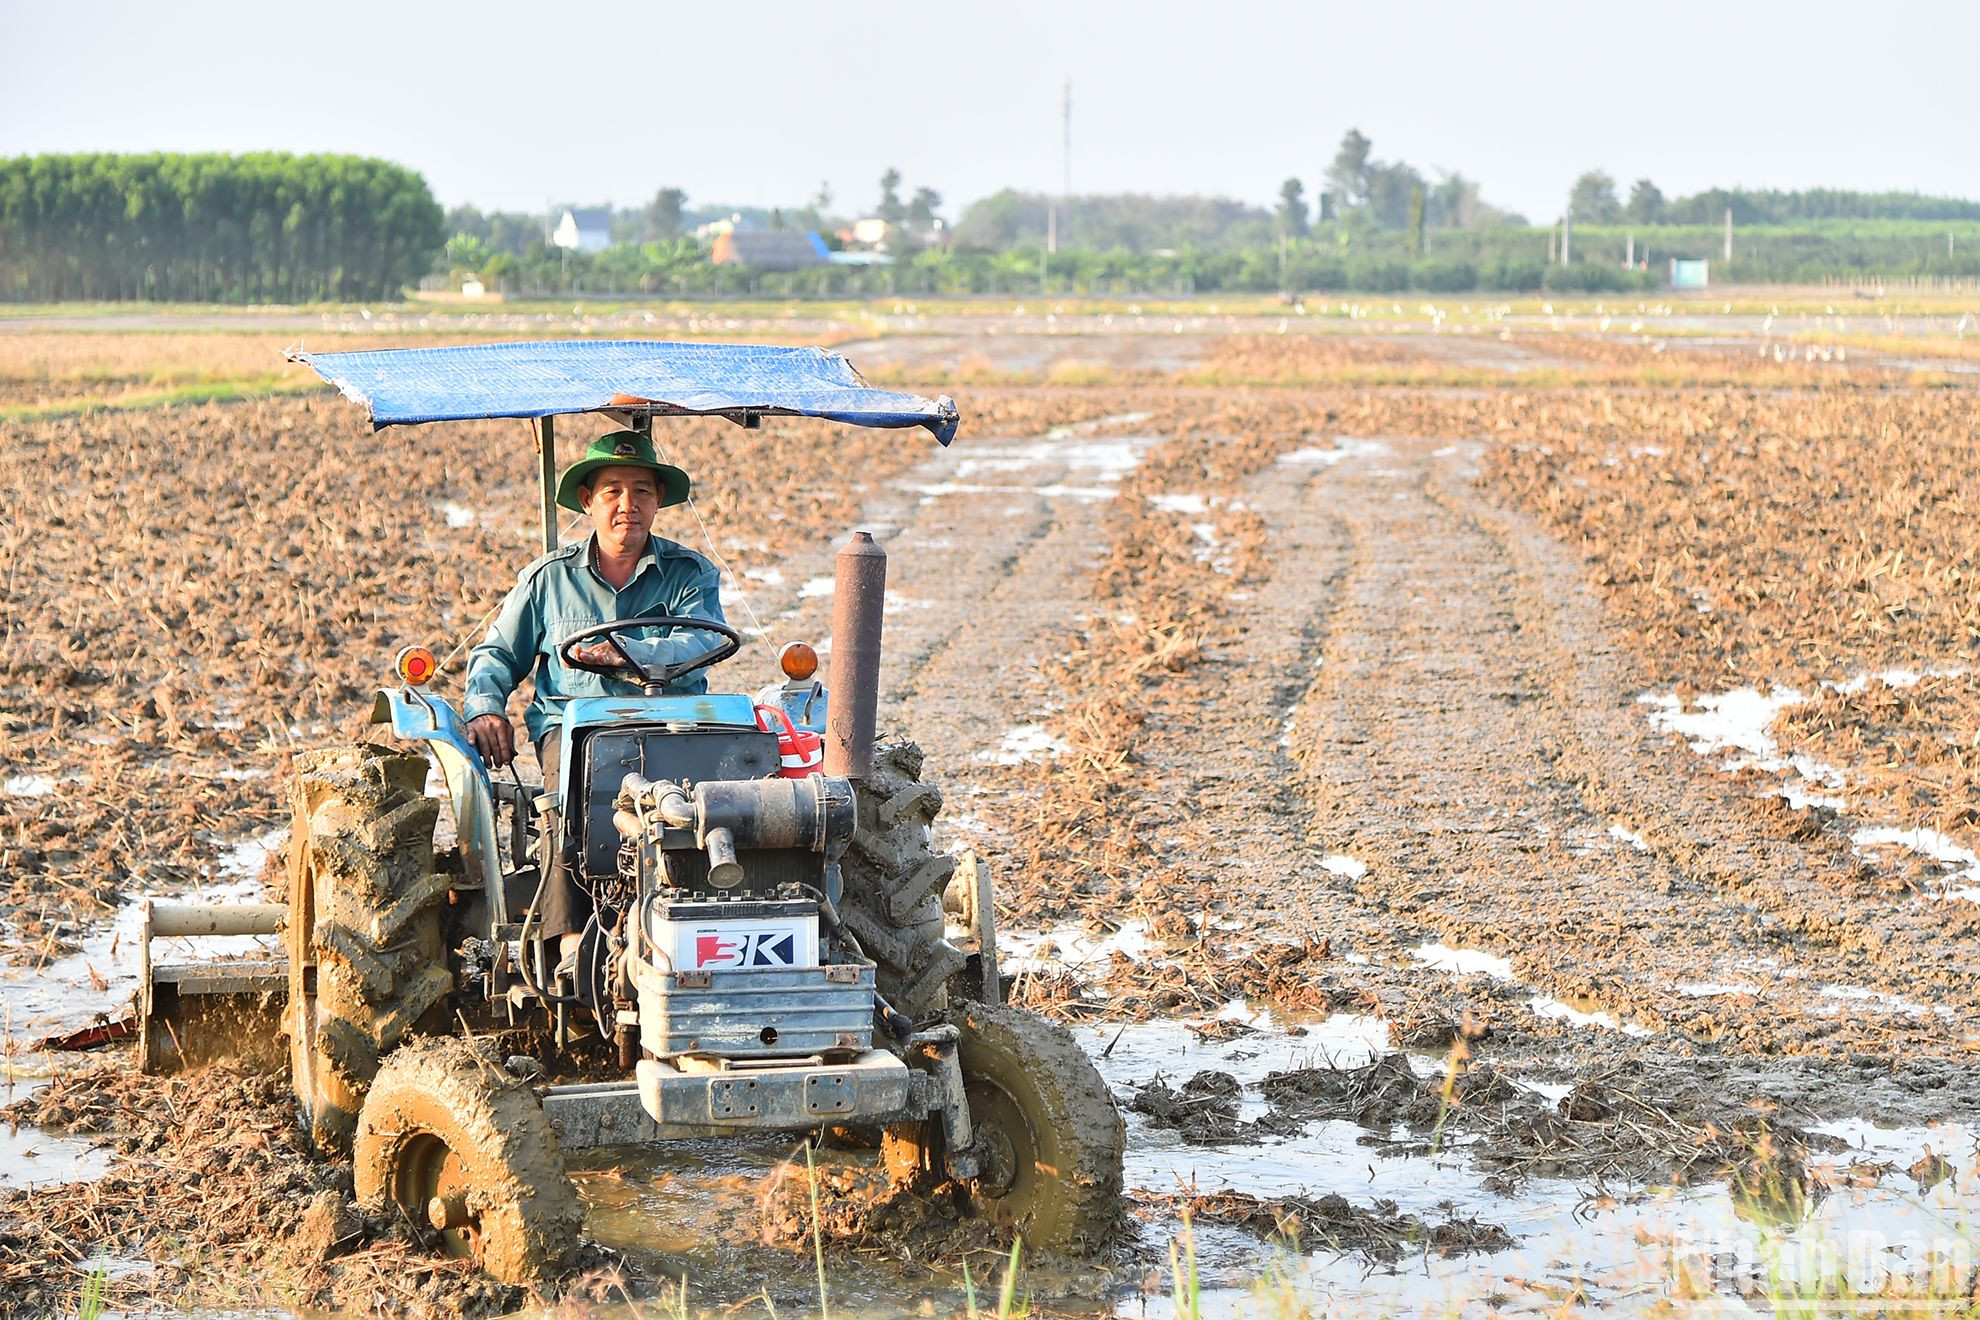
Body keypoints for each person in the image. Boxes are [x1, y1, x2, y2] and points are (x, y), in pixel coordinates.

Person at [462, 429, 726, 957]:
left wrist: (624, 653)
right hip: (578, 729)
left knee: (712, 813)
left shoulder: (690, 574)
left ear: (657, 501)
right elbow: (495, 655)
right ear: (588, 500)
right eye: (613, 491)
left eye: (642, 491)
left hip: (672, 725)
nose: (628, 505)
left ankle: (708, 920)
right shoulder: (547, 580)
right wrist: (487, 708)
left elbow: (702, 636)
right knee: (572, 806)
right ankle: (571, 945)